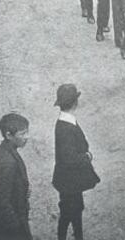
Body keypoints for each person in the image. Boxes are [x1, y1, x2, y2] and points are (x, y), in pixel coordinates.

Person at [52, 84, 99, 240]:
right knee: (69, 212)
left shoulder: (64, 122)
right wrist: (87, 156)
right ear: (75, 103)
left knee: (74, 210)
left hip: (68, 179)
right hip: (70, 180)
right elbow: (69, 158)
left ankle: (75, 236)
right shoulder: (67, 126)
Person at [0, 113, 32, 240]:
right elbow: (2, 202)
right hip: (5, 230)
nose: (27, 137)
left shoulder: (6, 150)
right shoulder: (7, 161)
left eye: (27, 132)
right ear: (8, 135)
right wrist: (18, 231)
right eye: (22, 134)